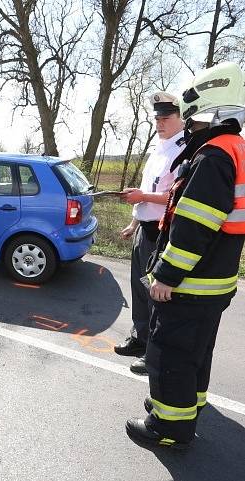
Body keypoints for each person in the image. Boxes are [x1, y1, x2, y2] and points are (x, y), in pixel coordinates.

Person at [125, 61, 245, 449]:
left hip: (191, 282)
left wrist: (166, 276)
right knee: (196, 349)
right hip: (215, 280)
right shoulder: (235, 147)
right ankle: (187, 403)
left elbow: (194, 226)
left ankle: (169, 426)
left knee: (170, 351)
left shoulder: (212, 156)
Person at [114, 92, 185, 375]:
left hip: (160, 233)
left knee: (154, 292)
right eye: (157, 118)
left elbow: (173, 196)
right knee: (139, 288)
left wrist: (143, 196)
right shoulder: (160, 146)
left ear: (181, 118)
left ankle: (153, 351)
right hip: (144, 230)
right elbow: (147, 189)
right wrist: (134, 222)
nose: (160, 122)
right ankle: (140, 338)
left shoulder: (183, 149)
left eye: (166, 117)